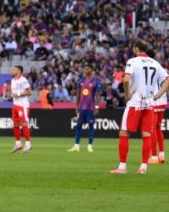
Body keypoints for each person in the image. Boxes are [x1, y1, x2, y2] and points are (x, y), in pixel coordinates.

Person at [111, 42, 167, 174]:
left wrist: (126, 95)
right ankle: (143, 168)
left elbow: (125, 80)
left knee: (124, 133)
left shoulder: (133, 61)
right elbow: (167, 80)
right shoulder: (155, 63)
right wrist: (158, 95)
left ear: (136, 49)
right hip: (149, 103)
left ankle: (122, 167)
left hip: (135, 102)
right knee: (147, 135)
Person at [68, 66, 101, 152]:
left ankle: (90, 146)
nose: (86, 70)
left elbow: (98, 95)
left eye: (88, 69)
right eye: (85, 69)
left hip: (90, 107)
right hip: (81, 108)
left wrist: (97, 107)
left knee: (91, 126)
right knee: (78, 126)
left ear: (92, 70)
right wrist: (76, 106)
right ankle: (76, 146)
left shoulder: (95, 81)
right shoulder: (80, 80)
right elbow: (78, 94)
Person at [8, 65, 32, 154]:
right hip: (15, 105)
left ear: (18, 71)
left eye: (13, 69)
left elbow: (29, 92)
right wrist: (11, 94)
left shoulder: (23, 80)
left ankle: (28, 144)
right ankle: (18, 144)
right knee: (15, 124)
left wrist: (17, 94)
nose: (12, 71)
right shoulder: (12, 80)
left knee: (24, 123)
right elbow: (12, 92)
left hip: (23, 105)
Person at [149, 70, 167, 164]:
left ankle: (154, 156)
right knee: (158, 128)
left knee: (152, 129)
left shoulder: (150, 70)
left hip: (154, 101)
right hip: (162, 101)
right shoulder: (162, 70)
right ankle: (162, 155)